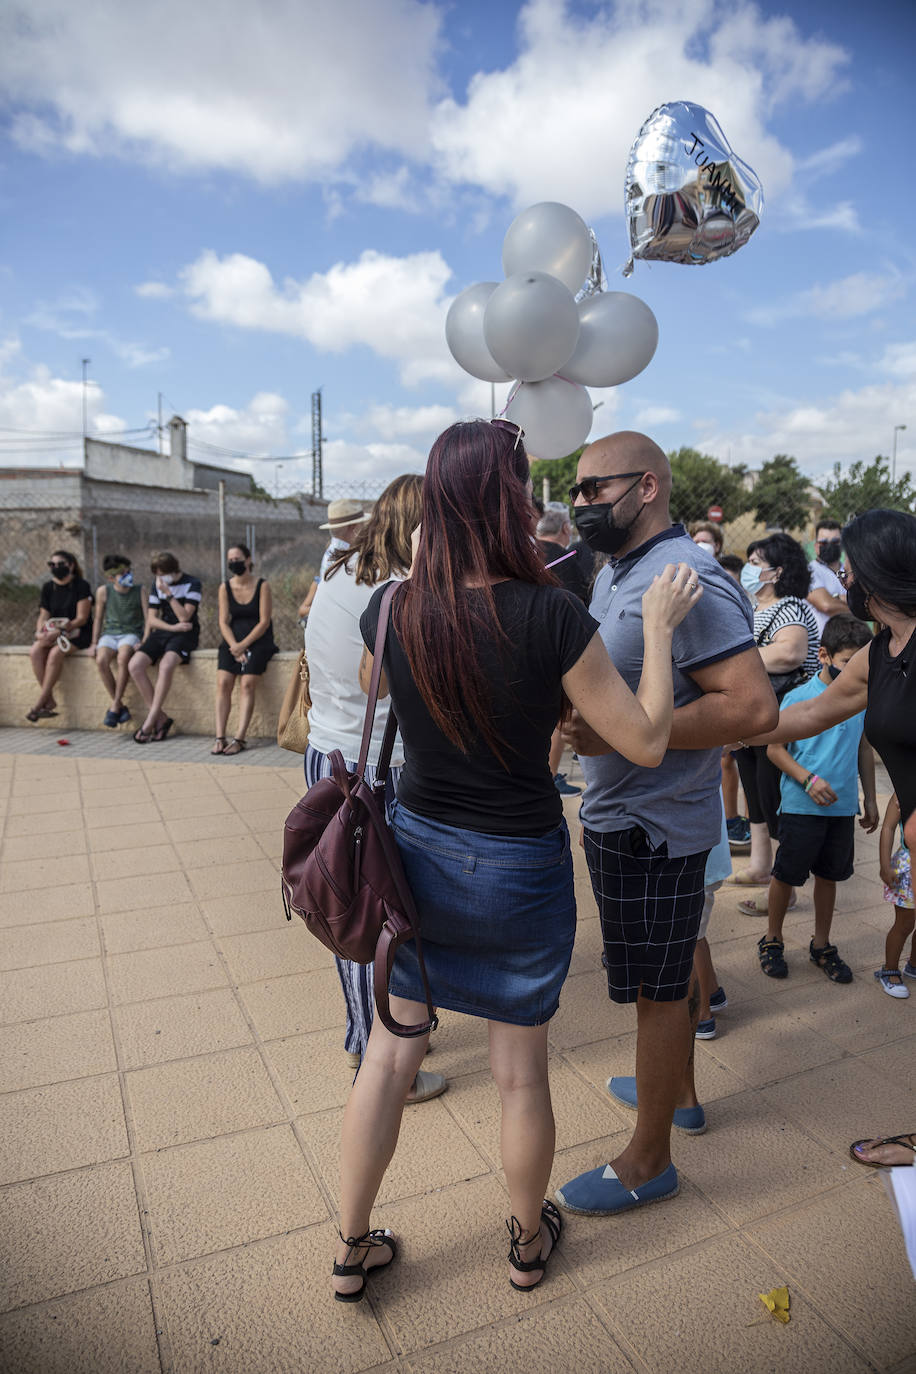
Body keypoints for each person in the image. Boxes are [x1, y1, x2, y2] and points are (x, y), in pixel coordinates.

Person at [330, 418, 701, 1301]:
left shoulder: (393, 605)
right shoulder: (550, 615)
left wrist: (421, 571)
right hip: (518, 866)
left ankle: (351, 1249)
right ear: (508, 499)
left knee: (389, 1056)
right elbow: (644, 742)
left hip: (417, 856)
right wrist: (653, 625)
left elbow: (365, 682)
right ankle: (527, 1245)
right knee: (518, 1073)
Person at [550, 431, 776, 1220]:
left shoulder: (691, 581)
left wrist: (627, 728)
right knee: (667, 976)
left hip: (656, 827)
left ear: (646, 486)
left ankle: (650, 1160)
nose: (580, 504)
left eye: (592, 488)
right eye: (574, 490)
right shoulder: (622, 571)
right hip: (625, 815)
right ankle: (673, 1094)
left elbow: (751, 706)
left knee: (655, 991)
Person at [304, 475, 445, 1102]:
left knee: (349, 906)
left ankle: (365, 1033)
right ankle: (380, 1061)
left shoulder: (336, 572)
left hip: (326, 753)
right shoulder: (397, 593)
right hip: (375, 768)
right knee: (377, 914)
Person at [746, 508, 916, 883]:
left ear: (878, 573)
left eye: (849, 573)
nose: (845, 582)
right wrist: (727, 731)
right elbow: (811, 714)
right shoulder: (878, 652)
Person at [750, 614, 877, 980]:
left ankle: (821, 944)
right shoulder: (800, 696)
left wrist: (868, 798)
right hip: (801, 806)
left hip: (840, 808)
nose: (854, 670)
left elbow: (864, 748)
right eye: (846, 662)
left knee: (829, 875)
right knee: (786, 874)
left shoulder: (861, 698)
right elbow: (775, 749)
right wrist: (807, 780)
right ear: (823, 655)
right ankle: (772, 938)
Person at [731, 533, 820, 887]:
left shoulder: (791, 607)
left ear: (778, 571)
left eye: (756, 564)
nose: (749, 570)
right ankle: (760, 865)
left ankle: (785, 881)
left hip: (781, 715)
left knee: (773, 793)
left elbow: (789, 654)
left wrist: (736, 663)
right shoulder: (753, 608)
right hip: (755, 710)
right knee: (753, 790)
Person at [535, 503, 589, 795]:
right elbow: (580, 605)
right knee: (557, 719)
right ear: (565, 530)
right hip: (558, 651)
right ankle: (550, 778)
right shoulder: (567, 559)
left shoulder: (522, 552)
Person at [128, 552, 201, 743]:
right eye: (157, 575)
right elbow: (151, 619)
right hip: (165, 629)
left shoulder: (193, 583)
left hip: (186, 633)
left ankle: (151, 720)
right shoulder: (156, 584)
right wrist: (166, 629)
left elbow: (185, 617)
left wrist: (169, 595)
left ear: (173, 570)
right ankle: (161, 718)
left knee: (166, 665)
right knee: (135, 665)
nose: (159, 579)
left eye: (162, 574)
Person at [212, 544, 276, 756]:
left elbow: (264, 621)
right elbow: (223, 621)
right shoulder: (225, 587)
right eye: (230, 560)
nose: (234, 563)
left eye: (237, 558)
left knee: (247, 684)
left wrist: (243, 645)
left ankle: (239, 738)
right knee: (223, 682)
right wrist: (234, 646)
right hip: (232, 641)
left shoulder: (262, 585)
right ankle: (220, 737)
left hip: (258, 640)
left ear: (248, 560)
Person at [27, 550, 93, 721]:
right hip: (53, 633)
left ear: (71, 565)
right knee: (35, 651)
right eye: (52, 564)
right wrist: (40, 632)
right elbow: (43, 614)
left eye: (60, 564)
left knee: (56, 653)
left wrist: (62, 631)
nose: (56, 567)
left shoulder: (81, 586)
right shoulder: (48, 587)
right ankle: (49, 701)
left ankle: (40, 702)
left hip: (76, 633)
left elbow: (82, 618)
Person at [89, 555, 145, 727]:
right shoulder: (103, 591)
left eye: (128, 571)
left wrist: (145, 639)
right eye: (122, 573)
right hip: (110, 633)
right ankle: (119, 705)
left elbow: (148, 616)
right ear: (111, 577)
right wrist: (94, 642)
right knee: (101, 660)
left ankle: (114, 705)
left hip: (131, 632)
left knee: (123, 657)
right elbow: (98, 618)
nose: (127, 575)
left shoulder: (140, 590)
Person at [298, 499, 371, 621]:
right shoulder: (349, 558)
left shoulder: (332, 552)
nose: (364, 528)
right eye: (361, 524)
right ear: (353, 527)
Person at [875, 793, 916, 998]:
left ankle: (914, 965)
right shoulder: (905, 789)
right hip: (909, 867)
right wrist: (884, 865)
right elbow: (888, 827)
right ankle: (889, 970)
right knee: (905, 924)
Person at [807, 518, 848, 637]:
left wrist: (835, 598)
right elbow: (826, 605)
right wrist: (857, 606)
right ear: (816, 546)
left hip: (851, 641)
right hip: (821, 644)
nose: (829, 546)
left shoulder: (850, 570)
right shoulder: (810, 571)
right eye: (824, 543)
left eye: (835, 542)